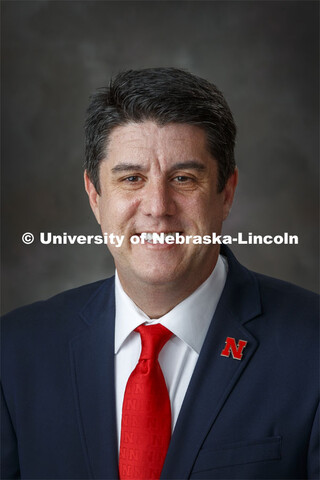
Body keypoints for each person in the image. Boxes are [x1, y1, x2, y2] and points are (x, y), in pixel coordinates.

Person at [1, 68, 318, 480]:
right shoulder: (14, 353)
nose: (157, 207)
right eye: (132, 179)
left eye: (183, 179)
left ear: (226, 193)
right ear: (95, 197)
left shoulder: (311, 347)